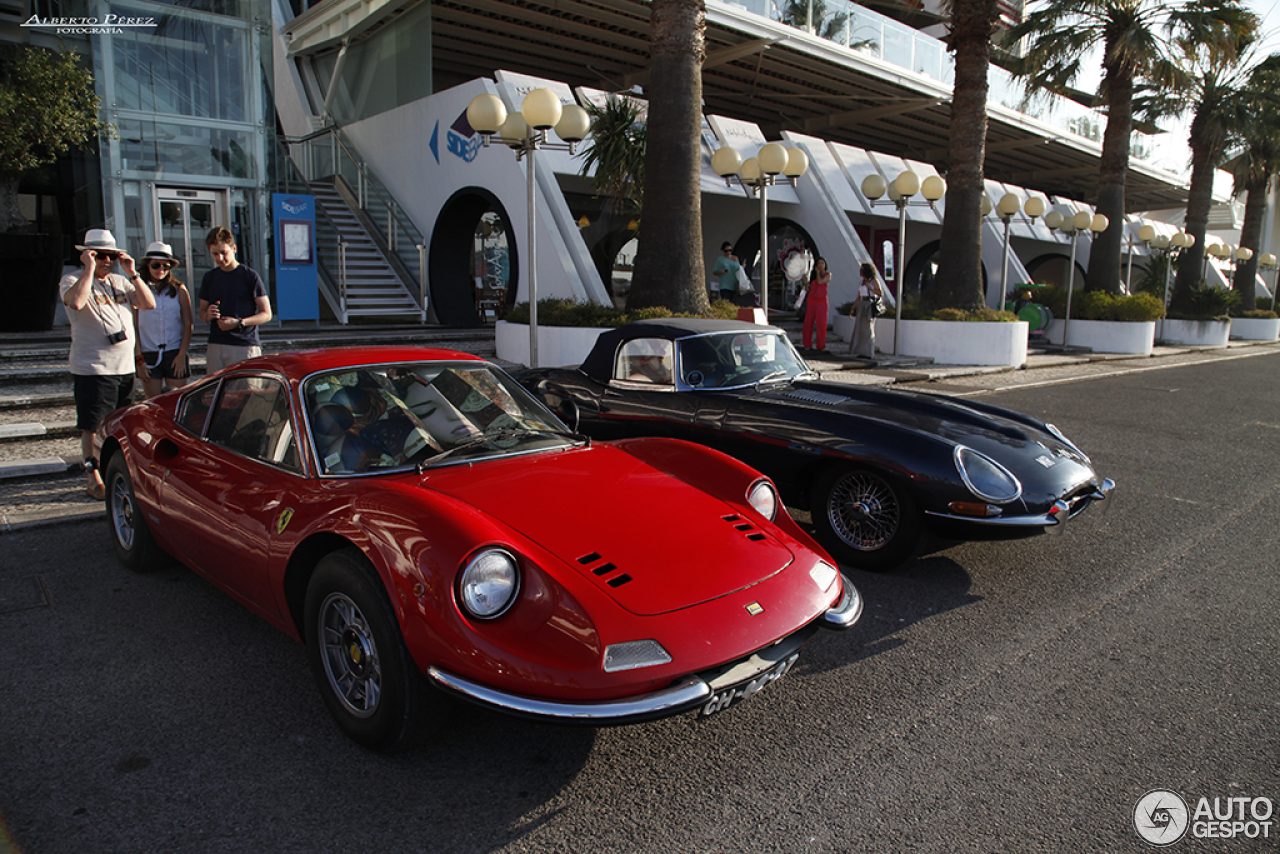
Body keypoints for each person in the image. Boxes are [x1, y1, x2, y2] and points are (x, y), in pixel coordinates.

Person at [60, 229, 156, 499]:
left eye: (110, 255)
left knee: (120, 423)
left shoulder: (120, 281)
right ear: (87, 254)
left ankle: (116, 468)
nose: (107, 261)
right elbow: (77, 302)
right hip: (94, 368)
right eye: (100, 255)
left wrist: (132, 272)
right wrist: (89, 268)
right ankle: (92, 475)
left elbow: (148, 304)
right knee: (92, 425)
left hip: (123, 367)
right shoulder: (72, 280)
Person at [198, 226, 271, 373]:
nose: (220, 258)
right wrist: (208, 315)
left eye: (224, 253)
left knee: (246, 392)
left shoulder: (249, 276)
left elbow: (267, 314)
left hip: (244, 343)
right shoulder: (210, 277)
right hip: (216, 343)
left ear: (234, 249)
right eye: (215, 254)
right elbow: (202, 313)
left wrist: (239, 322)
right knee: (215, 391)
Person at [133, 242, 193, 399]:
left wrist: (182, 355)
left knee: (177, 401)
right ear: (147, 265)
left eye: (166, 267)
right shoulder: (138, 290)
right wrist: (139, 359)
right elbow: (134, 327)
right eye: (156, 265)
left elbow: (188, 323)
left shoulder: (179, 289)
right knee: (153, 403)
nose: (161, 270)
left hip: (174, 351)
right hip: (148, 351)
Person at [849, 261, 884, 359]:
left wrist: (870, 288)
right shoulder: (862, 282)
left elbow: (880, 293)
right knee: (860, 328)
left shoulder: (873, 280)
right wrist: (853, 307)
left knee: (868, 329)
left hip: (869, 304)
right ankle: (861, 351)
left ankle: (869, 352)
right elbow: (859, 295)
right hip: (861, 303)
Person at [802, 256, 832, 352]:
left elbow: (820, 282)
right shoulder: (813, 276)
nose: (820, 265)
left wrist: (818, 273)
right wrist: (805, 283)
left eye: (822, 263)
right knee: (808, 323)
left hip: (821, 301)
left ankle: (821, 345)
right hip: (812, 300)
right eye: (819, 263)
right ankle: (807, 344)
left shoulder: (828, 275)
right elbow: (810, 288)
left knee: (821, 324)